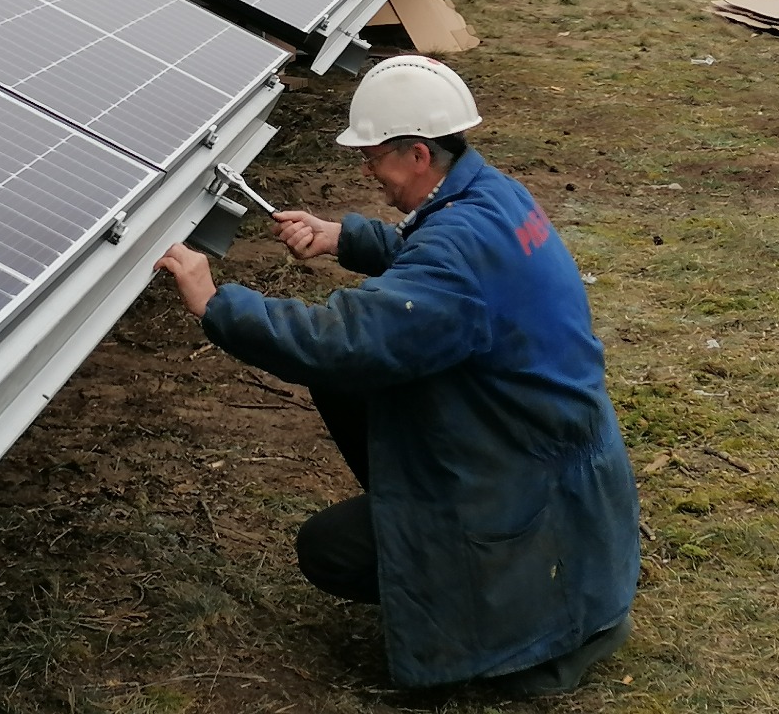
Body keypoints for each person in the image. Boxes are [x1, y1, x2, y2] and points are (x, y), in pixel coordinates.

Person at [156, 55, 639, 694]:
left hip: (515, 473)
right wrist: (344, 237)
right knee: (356, 390)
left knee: (331, 549)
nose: (366, 170)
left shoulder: (454, 255)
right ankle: (530, 595)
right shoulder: (494, 194)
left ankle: (507, 650)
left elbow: (344, 341)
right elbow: (444, 266)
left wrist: (218, 304)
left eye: (374, 156)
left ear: (416, 155)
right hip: (553, 447)